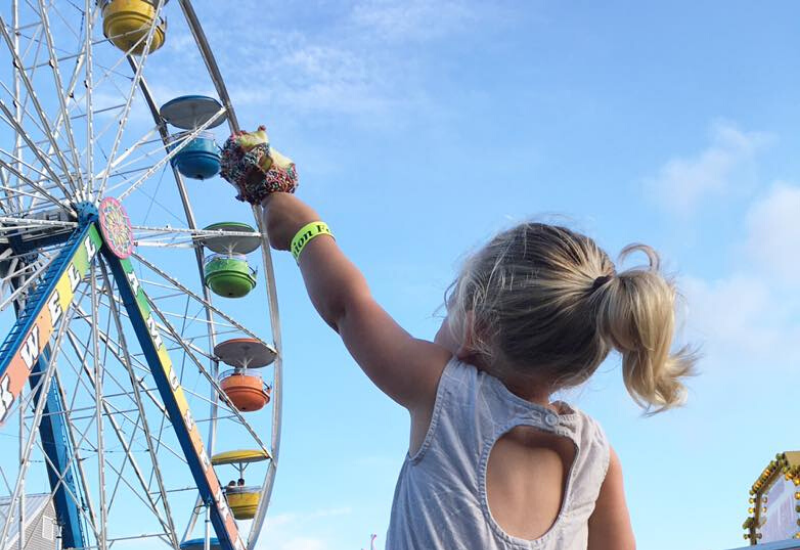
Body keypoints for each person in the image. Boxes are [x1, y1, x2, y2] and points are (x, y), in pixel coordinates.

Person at [260, 192, 695, 550]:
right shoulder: (597, 455)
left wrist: (305, 231)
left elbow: (348, 308)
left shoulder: (443, 392)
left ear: (477, 330)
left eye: (451, 304)